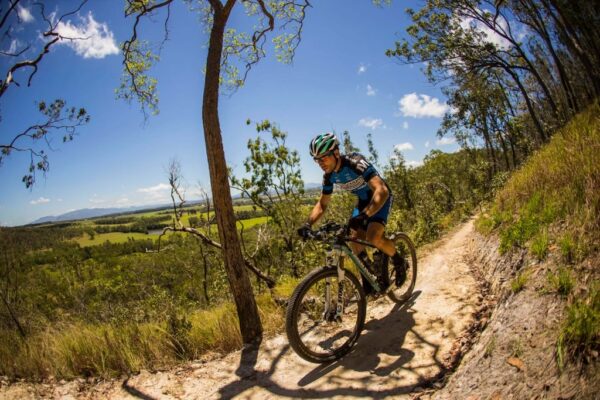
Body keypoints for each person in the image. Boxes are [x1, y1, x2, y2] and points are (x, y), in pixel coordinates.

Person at [297, 132, 406, 293]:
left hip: (379, 198)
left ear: (336, 153)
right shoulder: (329, 176)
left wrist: (365, 216)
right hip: (362, 202)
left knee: (373, 236)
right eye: (316, 159)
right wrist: (308, 224)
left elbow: (381, 190)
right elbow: (322, 204)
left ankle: (398, 261)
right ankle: (370, 275)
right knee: (353, 238)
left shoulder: (355, 162)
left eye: (323, 157)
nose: (320, 162)